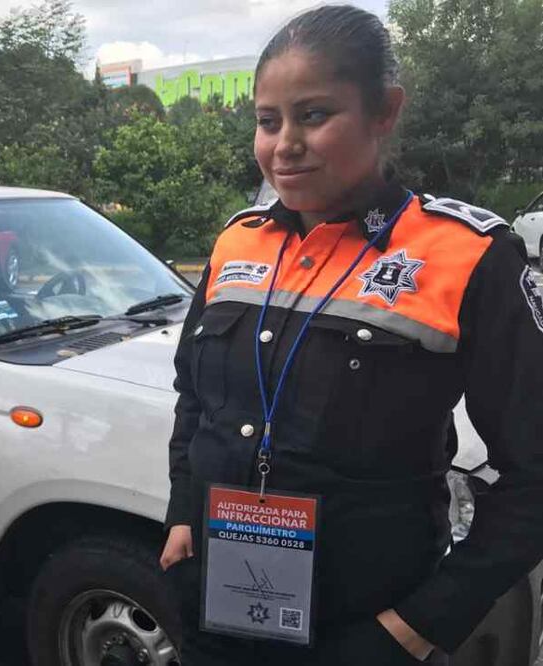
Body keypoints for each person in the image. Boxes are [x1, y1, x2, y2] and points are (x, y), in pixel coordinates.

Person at [159, 5, 543, 665]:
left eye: (313, 115)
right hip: (220, 607)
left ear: (384, 111)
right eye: (266, 120)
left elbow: (535, 473)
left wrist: (420, 624)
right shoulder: (236, 241)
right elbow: (194, 398)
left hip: (371, 627)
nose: (284, 144)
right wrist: (180, 512)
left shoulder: (467, 255)